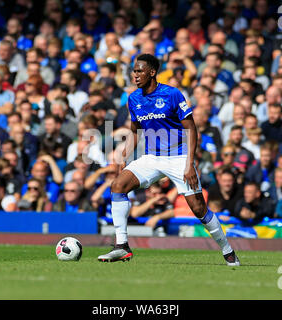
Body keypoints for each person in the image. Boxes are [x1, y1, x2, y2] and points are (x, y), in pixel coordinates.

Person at [97, 54, 240, 266]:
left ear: (152, 72)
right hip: (152, 157)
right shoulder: (133, 98)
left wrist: (189, 164)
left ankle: (227, 250)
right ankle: (122, 246)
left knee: (199, 208)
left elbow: (192, 129)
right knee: (117, 186)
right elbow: (135, 131)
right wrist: (124, 154)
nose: (135, 75)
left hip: (179, 156)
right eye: (134, 71)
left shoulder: (172, 94)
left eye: (139, 71)